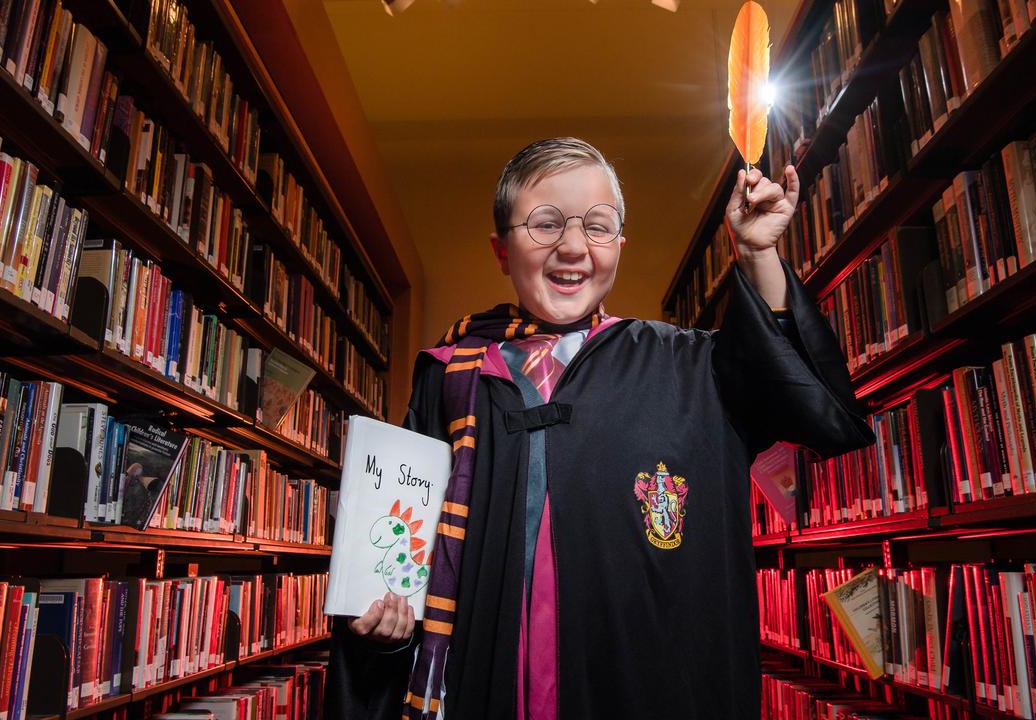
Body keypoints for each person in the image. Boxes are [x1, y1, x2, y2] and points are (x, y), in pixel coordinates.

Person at [323, 138, 874, 719]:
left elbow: (797, 400)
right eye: (544, 224)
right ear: (502, 251)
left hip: (638, 688)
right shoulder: (453, 377)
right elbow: (404, 544)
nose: (573, 247)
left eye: (598, 226)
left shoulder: (686, 367)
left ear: (620, 245)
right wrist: (382, 622)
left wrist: (760, 255)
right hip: (486, 686)